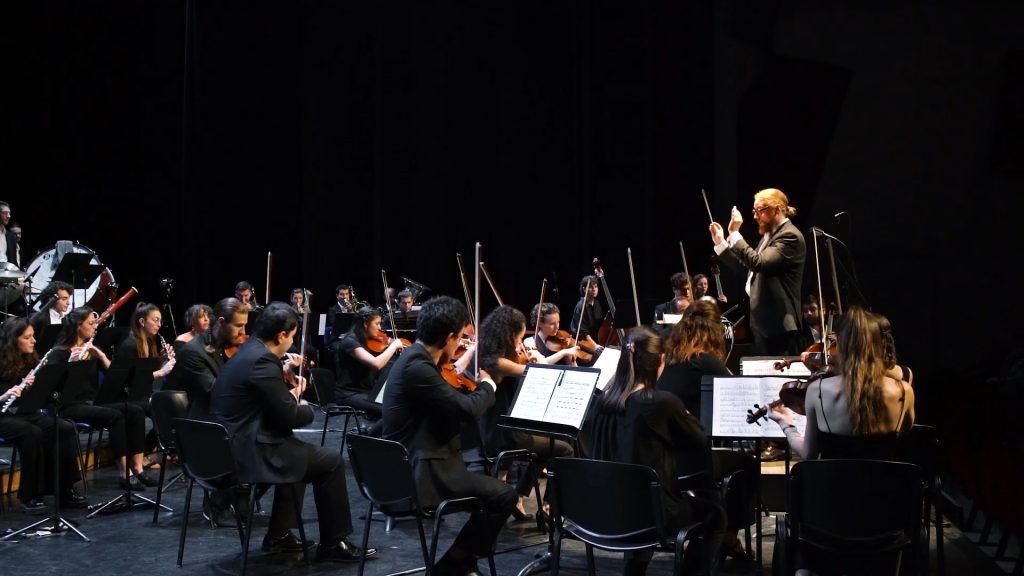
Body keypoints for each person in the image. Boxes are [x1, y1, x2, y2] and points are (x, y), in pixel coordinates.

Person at [210, 302, 374, 561]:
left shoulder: (249, 351)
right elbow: (290, 416)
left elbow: (263, 403)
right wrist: (303, 403)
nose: (292, 343)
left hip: (230, 444)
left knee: (299, 455)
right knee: (330, 461)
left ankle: (278, 536)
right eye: (293, 336)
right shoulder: (263, 360)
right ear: (281, 336)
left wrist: (286, 388)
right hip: (247, 451)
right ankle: (333, 543)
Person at [382, 296, 517, 576]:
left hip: (412, 463)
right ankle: (454, 563)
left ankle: (463, 561)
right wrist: (488, 385)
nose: (459, 347)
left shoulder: (412, 358)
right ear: (448, 337)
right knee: (504, 495)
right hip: (421, 473)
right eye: (459, 339)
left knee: (486, 486)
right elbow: (467, 410)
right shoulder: (418, 367)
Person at [585, 326, 725, 576]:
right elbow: (699, 439)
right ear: (660, 360)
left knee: (640, 494)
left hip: (604, 512)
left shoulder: (601, 402)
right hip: (649, 516)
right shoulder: (660, 402)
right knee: (715, 515)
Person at [657, 300, 756, 560]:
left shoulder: (673, 359)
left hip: (665, 457)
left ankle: (723, 531)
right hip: (687, 462)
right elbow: (739, 394)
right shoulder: (706, 361)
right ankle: (728, 535)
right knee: (746, 463)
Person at [766, 307, 916, 461]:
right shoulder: (904, 391)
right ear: (878, 345)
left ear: (840, 344)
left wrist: (786, 425)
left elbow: (808, 454)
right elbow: (902, 440)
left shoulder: (817, 390)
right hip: (885, 477)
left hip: (833, 477)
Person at [476, 305, 570, 520]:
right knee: (563, 449)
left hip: (499, 429)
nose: (521, 342)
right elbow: (540, 374)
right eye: (520, 337)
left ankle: (518, 496)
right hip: (505, 434)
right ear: (510, 335)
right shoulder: (499, 362)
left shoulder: (490, 356)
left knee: (548, 441)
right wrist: (538, 361)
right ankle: (547, 506)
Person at [50, 307, 158, 490]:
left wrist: (100, 355)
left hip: (92, 403)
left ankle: (138, 468)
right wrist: (72, 364)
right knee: (115, 416)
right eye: (91, 323)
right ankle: (124, 473)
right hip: (69, 406)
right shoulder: (59, 353)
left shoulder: (92, 349)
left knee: (135, 410)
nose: (95, 327)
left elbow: (115, 375)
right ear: (78, 326)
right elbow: (54, 389)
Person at [0, 318, 87, 512]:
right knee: (32, 433)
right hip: (3, 416)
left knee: (63, 427)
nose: (33, 341)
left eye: (33, 336)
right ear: (13, 340)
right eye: (27, 337)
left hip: (24, 413)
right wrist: (4, 395)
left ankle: (64, 488)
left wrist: (39, 383)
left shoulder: (30, 359)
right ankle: (30, 495)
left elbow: (43, 395)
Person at [710, 188, 806, 356]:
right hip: (763, 325)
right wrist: (721, 244)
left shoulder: (790, 236)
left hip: (779, 327)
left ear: (776, 209)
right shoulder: (768, 237)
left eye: (760, 210)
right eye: (754, 211)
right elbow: (749, 269)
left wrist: (734, 233)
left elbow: (758, 263)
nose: (755, 216)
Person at [172, 298, 248, 420]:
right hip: (207, 420)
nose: (243, 332)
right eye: (239, 326)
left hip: (230, 414)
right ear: (221, 322)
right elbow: (216, 394)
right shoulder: (193, 352)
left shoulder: (229, 344)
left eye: (244, 325)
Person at [332, 306, 404, 423]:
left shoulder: (367, 339)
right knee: (391, 410)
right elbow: (376, 364)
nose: (380, 328)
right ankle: (374, 432)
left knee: (399, 405)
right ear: (365, 324)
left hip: (368, 391)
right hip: (349, 394)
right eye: (377, 324)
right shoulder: (350, 342)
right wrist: (394, 346)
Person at [569, 275, 607, 356]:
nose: (594, 289)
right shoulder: (580, 306)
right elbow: (583, 333)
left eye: (596, 286)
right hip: (582, 342)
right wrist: (595, 345)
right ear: (584, 289)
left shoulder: (597, 303)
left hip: (594, 339)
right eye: (590, 287)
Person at [652, 272, 692, 338]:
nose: (687, 293)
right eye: (683, 290)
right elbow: (656, 333)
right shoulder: (662, 309)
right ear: (674, 289)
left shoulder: (695, 308)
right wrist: (674, 328)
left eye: (689, 289)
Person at [0, 201, 19, 267]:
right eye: (5, 213)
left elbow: (13, 262)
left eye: (9, 213)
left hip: (6, 272)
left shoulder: (11, 237)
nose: (9, 216)